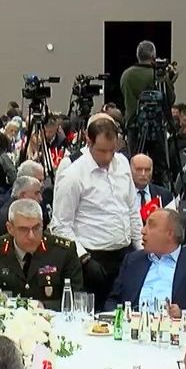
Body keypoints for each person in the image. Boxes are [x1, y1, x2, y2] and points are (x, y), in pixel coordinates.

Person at [52, 117, 142, 304]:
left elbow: (132, 210)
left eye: (112, 150)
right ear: (89, 142)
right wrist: (83, 258)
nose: (107, 157)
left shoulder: (122, 163)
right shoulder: (73, 175)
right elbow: (60, 225)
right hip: (92, 258)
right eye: (102, 151)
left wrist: (141, 250)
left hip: (124, 254)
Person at [0, 198, 83, 310]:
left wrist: (44, 306)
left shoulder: (63, 252)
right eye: (23, 229)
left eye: (36, 228)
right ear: (10, 228)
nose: (31, 236)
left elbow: (76, 298)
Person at [105, 208, 186, 312]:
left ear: (170, 234)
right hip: (133, 325)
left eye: (151, 225)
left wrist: (184, 314)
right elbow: (113, 301)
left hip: (175, 326)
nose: (143, 231)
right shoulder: (132, 261)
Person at [119, 40, 176, 126]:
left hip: (132, 124)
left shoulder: (126, 75)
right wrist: (169, 81)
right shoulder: (159, 75)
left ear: (138, 55)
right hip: (156, 125)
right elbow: (170, 99)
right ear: (153, 56)